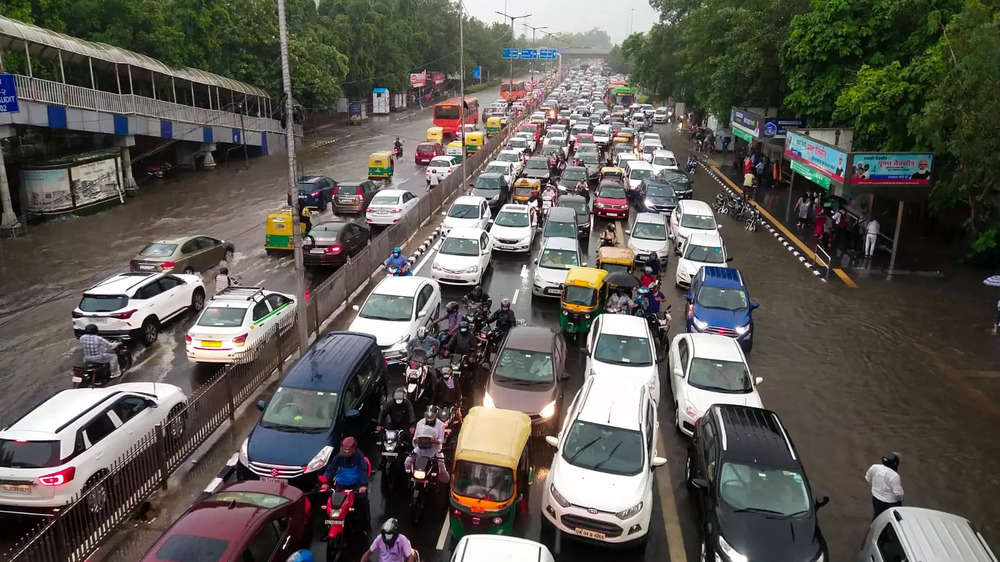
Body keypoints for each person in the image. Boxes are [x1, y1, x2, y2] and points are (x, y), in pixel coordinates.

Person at [321, 437, 371, 531]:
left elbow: (363, 471)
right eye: (344, 450)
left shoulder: (360, 457)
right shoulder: (339, 456)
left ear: (354, 449)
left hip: (356, 484)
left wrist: (363, 485)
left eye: (349, 450)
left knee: (362, 501)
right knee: (333, 504)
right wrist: (325, 481)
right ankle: (329, 527)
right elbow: (331, 469)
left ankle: (366, 524)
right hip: (341, 483)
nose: (346, 453)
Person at [404, 407, 449, 483]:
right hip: (420, 448)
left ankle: (441, 484)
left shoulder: (441, 425)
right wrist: (416, 441)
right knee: (407, 461)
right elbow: (415, 438)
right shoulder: (420, 423)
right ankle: (408, 477)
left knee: (441, 465)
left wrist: (435, 441)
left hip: (434, 449)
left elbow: (441, 440)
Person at [865, 452, 904, 519]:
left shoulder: (874, 467)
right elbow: (899, 494)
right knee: (895, 519)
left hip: (876, 497)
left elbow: (868, 479)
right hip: (891, 502)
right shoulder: (894, 476)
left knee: (877, 515)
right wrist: (899, 501)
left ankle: (875, 527)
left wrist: (876, 488)